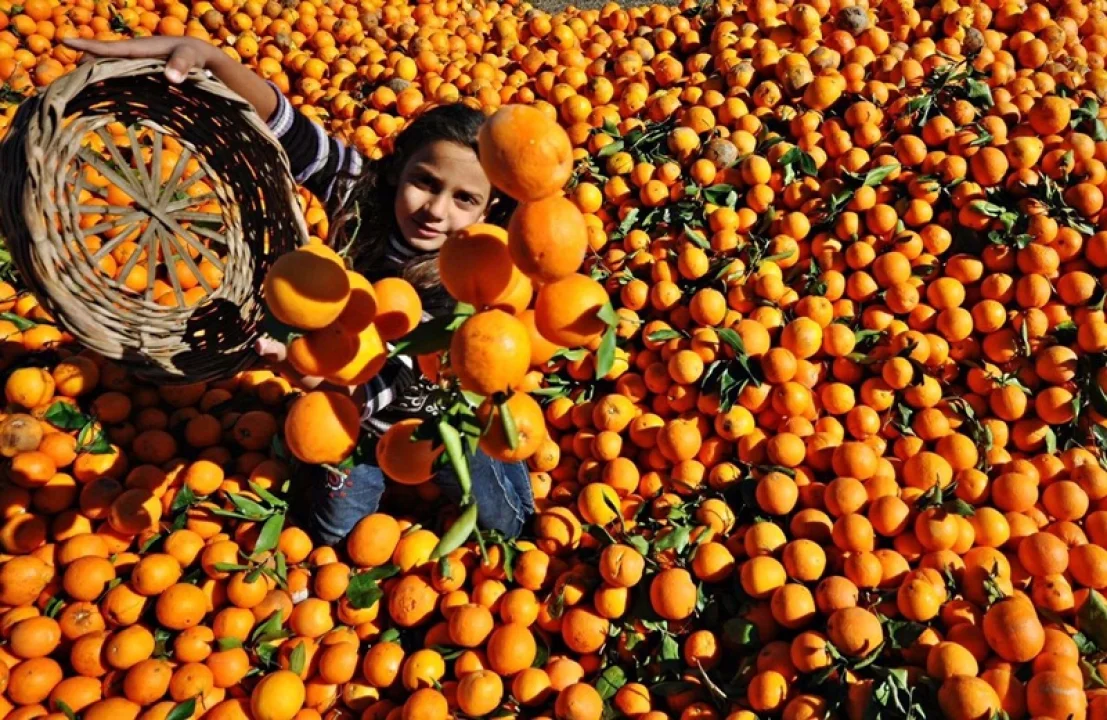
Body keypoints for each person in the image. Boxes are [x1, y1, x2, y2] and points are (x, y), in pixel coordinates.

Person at [65, 36, 535, 546]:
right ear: (397, 169)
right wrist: (211, 58)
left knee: (504, 524)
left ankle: (506, 479)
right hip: (345, 413)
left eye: (464, 199)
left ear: (489, 211)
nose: (436, 210)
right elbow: (288, 128)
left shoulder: (474, 277)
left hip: (430, 416)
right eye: (425, 181)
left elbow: (398, 375)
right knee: (331, 533)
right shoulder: (361, 196)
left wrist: (306, 371)